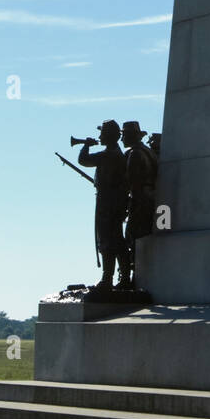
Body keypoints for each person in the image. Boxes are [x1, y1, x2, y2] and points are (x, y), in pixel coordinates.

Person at [78, 121, 130, 292]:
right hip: (114, 201)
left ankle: (107, 278)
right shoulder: (116, 154)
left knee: (108, 240)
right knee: (116, 239)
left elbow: (83, 160)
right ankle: (123, 277)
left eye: (102, 134)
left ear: (109, 136)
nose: (99, 137)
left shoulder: (109, 155)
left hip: (108, 202)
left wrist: (85, 145)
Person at [121, 122, 159, 286]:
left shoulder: (135, 154)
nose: (122, 138)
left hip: (140, 200)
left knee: (131, 239)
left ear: (131, 136)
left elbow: (133, 182)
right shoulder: (148, 152)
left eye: (124, 134)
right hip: (149, 198)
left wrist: (128, 203)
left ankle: (130, 279)